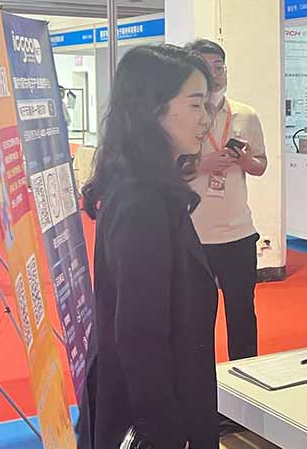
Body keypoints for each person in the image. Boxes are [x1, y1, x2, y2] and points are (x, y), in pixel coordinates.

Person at [78, 45, 217, 448]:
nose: (206, 119)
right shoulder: (142, 202)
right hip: (154, 412)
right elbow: (140, 335)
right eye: (195, 105)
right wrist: (167, 432)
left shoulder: (150, 188)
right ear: (153, 109)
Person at [185, 39, 268, 361]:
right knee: (196, 318)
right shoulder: (180, 114)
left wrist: (245, 161)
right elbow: (162, 170)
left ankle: (245, 377)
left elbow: (260, 166)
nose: (214, 74)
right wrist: (201, 165)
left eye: (218, 67)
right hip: (193, 235)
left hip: (238, 232)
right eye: (205, 67)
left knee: (242, 313)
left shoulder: (245, 114)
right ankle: (198, 383)